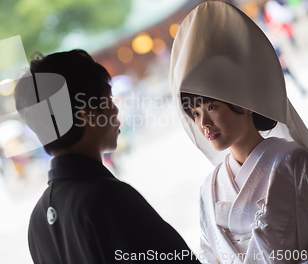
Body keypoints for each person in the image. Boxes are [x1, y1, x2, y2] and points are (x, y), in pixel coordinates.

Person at [170, 0, 308, 263]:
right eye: (194, 113)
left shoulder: (296, 164)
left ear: (244, 101)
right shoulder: (209, 188)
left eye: (212, 106)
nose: (203, 123)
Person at [15, 49, 200, 264]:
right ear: (86, 115)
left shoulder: (38, 221)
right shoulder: (108, 198)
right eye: (108, 100)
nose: (115, 111)